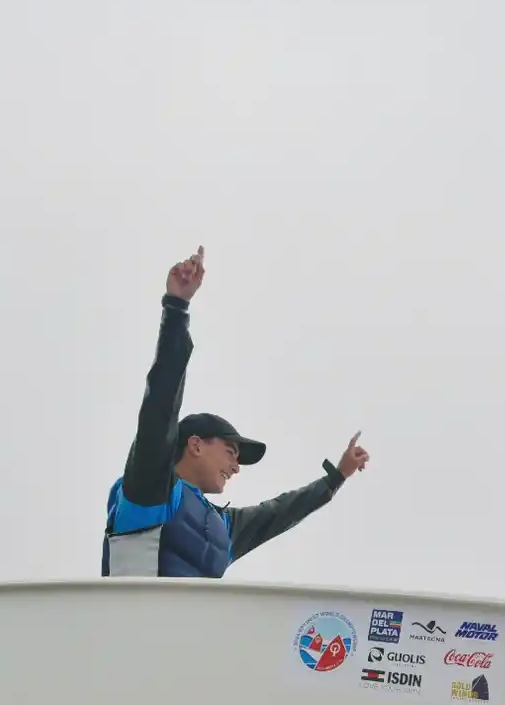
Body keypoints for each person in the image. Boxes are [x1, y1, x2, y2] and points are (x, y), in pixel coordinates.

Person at [102, 247, 370, 578]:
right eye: (231, 452)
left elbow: (279, 512)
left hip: (193, 616)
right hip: (132, 613)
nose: (235, 467)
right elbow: (161, 401)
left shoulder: (223, 527)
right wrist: (176, 307)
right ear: (195, 444)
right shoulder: (149, 488)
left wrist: (337, 476)